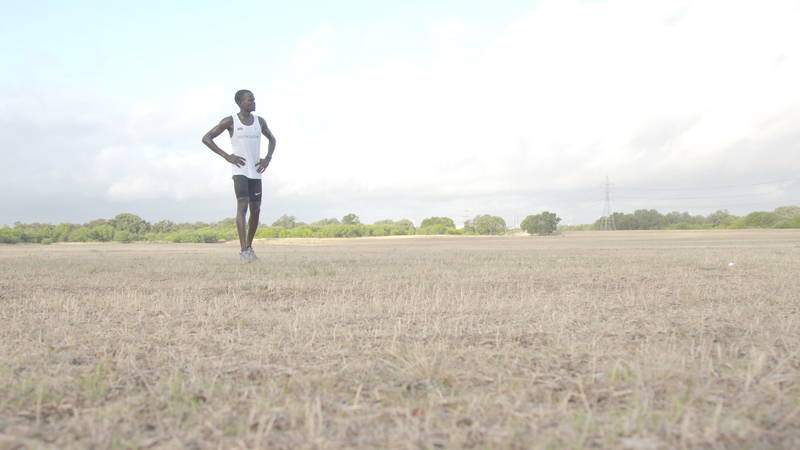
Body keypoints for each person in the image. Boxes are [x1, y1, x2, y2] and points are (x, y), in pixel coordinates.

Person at [202, 90, 276, 261]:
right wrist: (227, 156)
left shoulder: (260, 121)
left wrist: (267, 159)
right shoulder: (230, 121)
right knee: (242, 205)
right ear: (240, 103)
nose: (254, 102)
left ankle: (249, 246)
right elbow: (206, 138)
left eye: (254, 100)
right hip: (240, 171)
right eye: (250, 100)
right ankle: (243, 251)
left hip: (256, 172)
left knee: (255, 209)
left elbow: (272, 139)